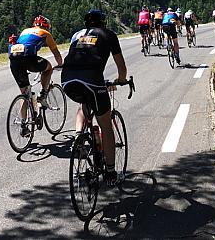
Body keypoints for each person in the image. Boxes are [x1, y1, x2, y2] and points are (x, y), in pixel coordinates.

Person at [61, 9, 127, 186]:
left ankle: (78, 135)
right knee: (106, 125)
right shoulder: (108, 34)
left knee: (84, 102)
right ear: (103, 23)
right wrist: (121, 80)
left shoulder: (77, 35)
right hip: (92, 79)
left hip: (67, 79)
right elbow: (121, 66)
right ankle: (111, 172)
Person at [8, 15, 63, 117]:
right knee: (48, 68)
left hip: (14, 60)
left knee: (25, 93)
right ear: (46, 26)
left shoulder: (25, 31)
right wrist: (60, 65)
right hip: (29, 59)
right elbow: (56, 52)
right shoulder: (46, 33)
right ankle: (42, 95)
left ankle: (23, 124)